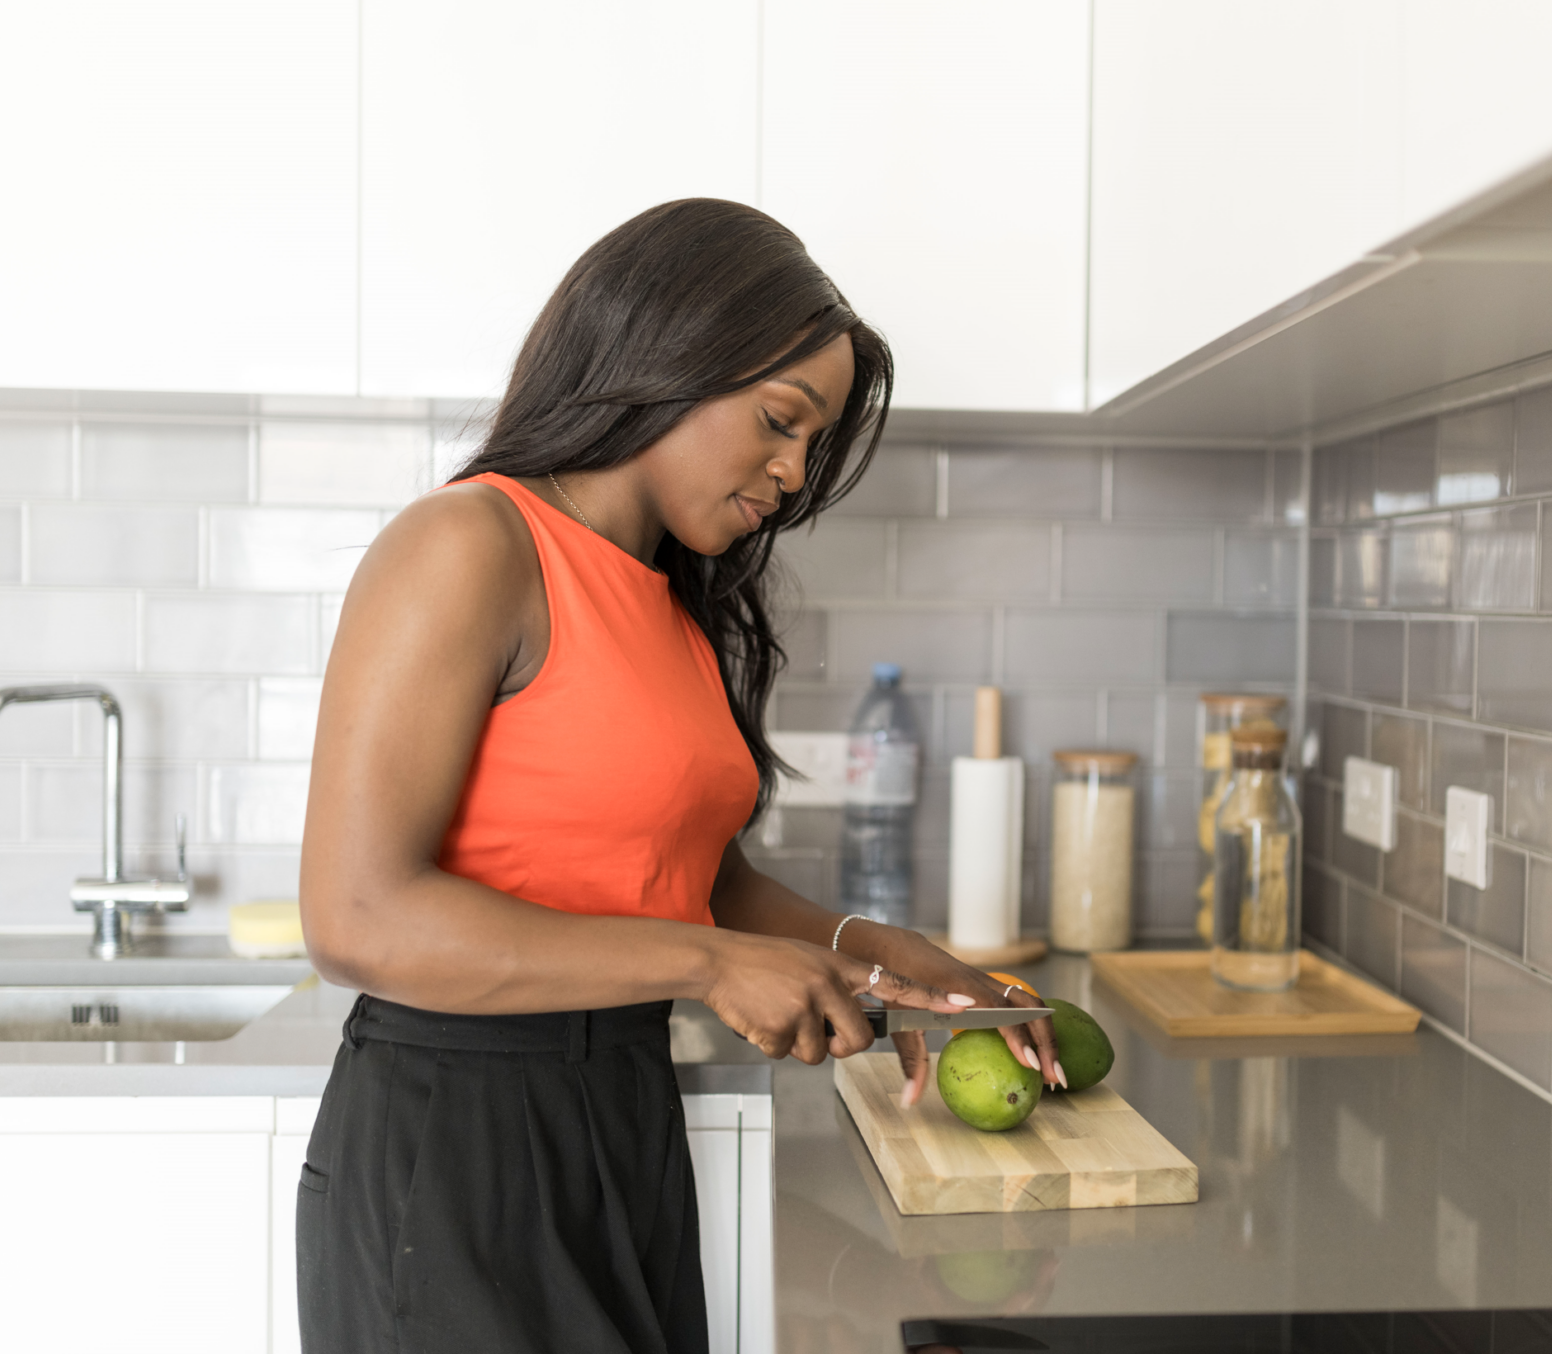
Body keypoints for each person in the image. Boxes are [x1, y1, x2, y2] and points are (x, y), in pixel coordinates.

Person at [293, 198, 1060, 1354]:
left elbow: (692, 878)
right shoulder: (469, 545)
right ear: (668, 358)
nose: (793, 472)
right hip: (456, 1145)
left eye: (812, 443)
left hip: (619, 1116)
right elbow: (357, 916)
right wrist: (708, 965)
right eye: (779, 420)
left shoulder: (673, 603)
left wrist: (878, 951)